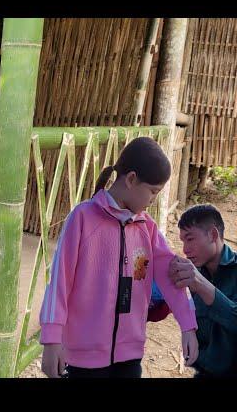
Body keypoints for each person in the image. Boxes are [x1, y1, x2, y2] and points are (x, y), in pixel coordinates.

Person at [39, 137, 198, 378]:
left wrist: (188, 325)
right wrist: (51, 340)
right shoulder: (83, 219)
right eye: (153, 191)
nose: (153, 199)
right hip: (84, 357)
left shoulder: (147, 228)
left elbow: (170, 275)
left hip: (129, 354)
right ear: (132, 179)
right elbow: (59, 282)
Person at [170, 204, 237, 377]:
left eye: (190, 239)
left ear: (213, 235)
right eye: (183, 241)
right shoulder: (195, 273)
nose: (185, 249)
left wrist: (202, 285)